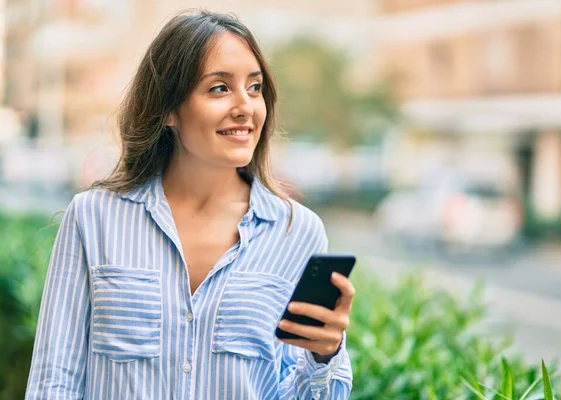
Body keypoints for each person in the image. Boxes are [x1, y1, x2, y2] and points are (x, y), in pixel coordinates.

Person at [25, 10, 354, 400]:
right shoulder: (94, 217)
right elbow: (53, 382)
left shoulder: (297, 232)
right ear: (168, 109)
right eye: (219, 88)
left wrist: (324, 356)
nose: (245, 106)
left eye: (254, 87)